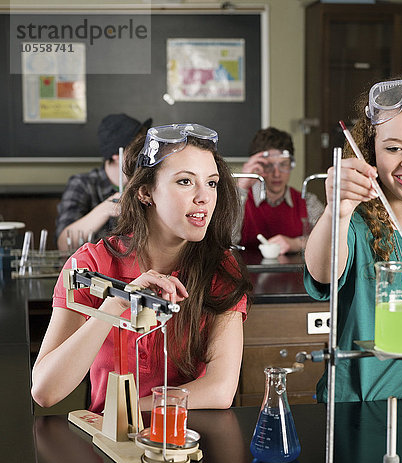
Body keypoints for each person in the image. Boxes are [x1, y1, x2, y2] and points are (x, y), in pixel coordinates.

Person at [32, 123, 252, 412]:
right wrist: (115, 305)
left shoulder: (221, 268)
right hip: (109, 443)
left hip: (190, 438)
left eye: (211, 182)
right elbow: (46, 391)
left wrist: (124, 411)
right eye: (185, 181)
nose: (204, 197)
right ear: (146, 192)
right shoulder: (90, 263)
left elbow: (220, 389)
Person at [304, 76, 402, 403]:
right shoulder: (356, 222)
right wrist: (336, 212)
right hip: (360, 407)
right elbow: (322, 273)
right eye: (393, 148)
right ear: (370, 152)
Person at [55, 113, 153, 251]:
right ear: (116, 155)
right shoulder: (83, 184)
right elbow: (64, 244)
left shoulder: (146, 185)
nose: (144, 152)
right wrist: (105, 210)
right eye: (136, 147)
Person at [236, 126, 324, 253]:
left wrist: (296, 243)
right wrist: (241, 188)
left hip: (294, 273)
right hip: (246, 272)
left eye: (283, 165)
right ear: (257, 166)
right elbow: (225, 240)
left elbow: (329, 239)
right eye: (269, 165)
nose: (277, 174)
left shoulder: (307, 201)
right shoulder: (241, 200)